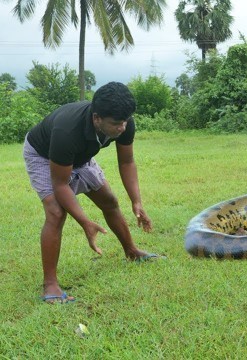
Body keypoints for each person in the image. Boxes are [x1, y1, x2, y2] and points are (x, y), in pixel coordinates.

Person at [23, 82, 160, 304]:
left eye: (125, 122)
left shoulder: (122, 120)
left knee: (109, 201)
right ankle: (50, 285)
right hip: (44, 155)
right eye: (116, 124)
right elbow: (60, 185)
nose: (122, 128)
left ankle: (132, 251)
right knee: (56, 213)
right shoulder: (67, 129)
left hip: (80, 156)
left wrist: (137, 201)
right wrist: (86, 222)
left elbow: (126, 161)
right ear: (97, 118)